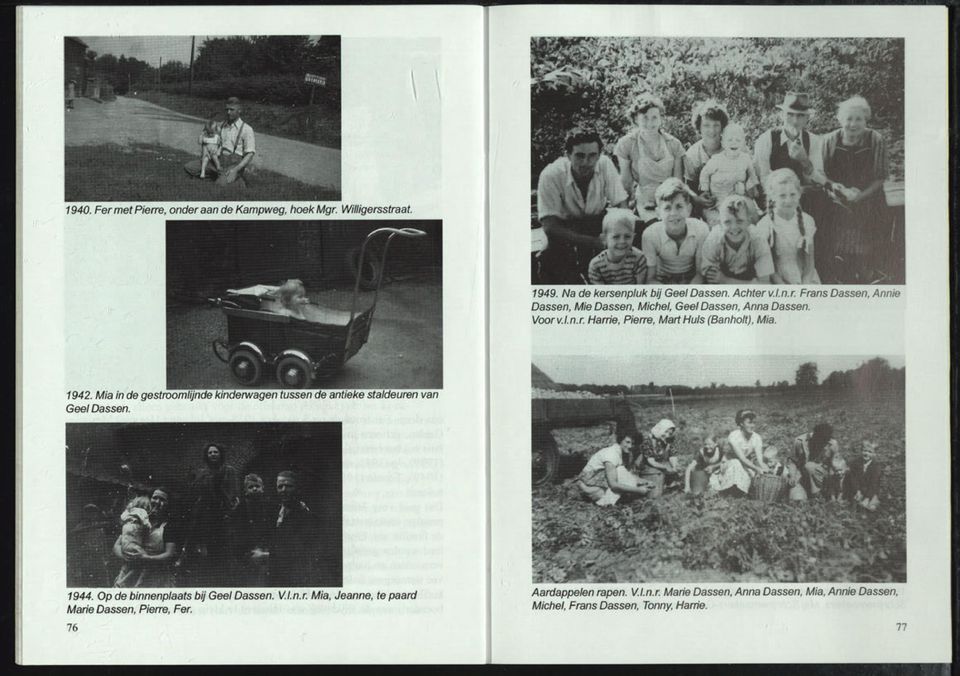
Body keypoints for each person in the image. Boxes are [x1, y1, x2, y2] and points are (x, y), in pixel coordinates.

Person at [536, 127, 629, 283]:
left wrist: (619, 233)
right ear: (568, 155)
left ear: (599, 154)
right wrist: (593, 242)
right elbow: (550, 226)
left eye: (592, 155)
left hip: (597, 220)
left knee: (634, 235)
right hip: (565, 227)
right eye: (580, 156)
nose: (587, 162)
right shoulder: (551, 174)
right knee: (547, 258)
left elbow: (621, 204)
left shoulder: (605, 164)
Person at [753, 92, 831, 272]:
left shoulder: (813, 141)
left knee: (823, 206)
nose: (794, 121)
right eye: (790, 114)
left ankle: (817, 268)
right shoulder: (767, 139)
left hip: (805, 197)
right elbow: (763, 177)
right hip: (773, 198)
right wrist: (782, 195)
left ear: (807, 118)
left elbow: (820, 180)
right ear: (782, 115)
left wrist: (805, 161)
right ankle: (773, 272)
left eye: (800, 116)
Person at [821, 96, 889, 283]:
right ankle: (839, 273)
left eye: (858, 119)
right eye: (848, 118)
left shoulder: (875, 140)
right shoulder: (829, 141)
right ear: (840, 119)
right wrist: (836, 189)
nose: (853, 124)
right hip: (837, 197)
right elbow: (822, 175)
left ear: (866, 120)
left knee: (870, 223)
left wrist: (860, 196)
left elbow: (880, 177)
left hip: (868, 196)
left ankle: (869, 272)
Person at [615, 94, 685, 225]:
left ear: (661, 119)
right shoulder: (627, 144)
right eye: (645, 118)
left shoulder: (673, 144)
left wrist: (671, 205)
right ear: (636, 118)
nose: (650, 123)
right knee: (652, 225)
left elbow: (678, 182)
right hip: (645, 198)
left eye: (654, 117)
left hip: (671, 196)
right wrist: (624, 211)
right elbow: (626, 181)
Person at [182, 443, 241, 586]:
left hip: (222, 516)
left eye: (215, 452)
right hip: (204, 517)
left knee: (224, 553)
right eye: (210, 453)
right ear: (206, 456)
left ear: (220, 454)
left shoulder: (228, 471)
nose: (213, 454)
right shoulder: (202, 473)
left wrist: (229, 507)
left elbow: (233, 492)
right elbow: (195, 492)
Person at [269, 471, 341, 586]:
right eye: (280, 486)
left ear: (297, 489)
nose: (283, 490)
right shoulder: (272, 515)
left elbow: (300, 553)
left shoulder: (309, 519)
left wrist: (267, 555)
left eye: (289, 486)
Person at [753, 168, 819, 284]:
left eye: (792, 194)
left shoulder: (807, 221)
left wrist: (804, 284)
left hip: (805, 277)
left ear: (799, 194)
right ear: (772, 197)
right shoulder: (765, 225)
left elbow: (810, 264)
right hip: (777, 279)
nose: (788, 200)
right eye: (782, 196)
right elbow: (767, 267)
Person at [640, 178, 710, 284]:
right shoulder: (650, 234)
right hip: (662, 280)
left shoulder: (701, 229)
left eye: (679, 206)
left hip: (691, 279)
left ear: (689, 209)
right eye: (667, 208)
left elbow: (700, 274)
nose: (673, 213)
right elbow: (651, 278)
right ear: (658, 213)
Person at [113, 488, 179, 587]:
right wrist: (127, 557)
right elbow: (117, 545)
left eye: (162, 499)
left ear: (168, 504)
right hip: (129, 572)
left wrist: (148, 558)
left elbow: (169, 553)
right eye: (155, 498)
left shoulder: (169, 526)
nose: (157, 502)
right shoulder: (137, 518)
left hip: (153, 574)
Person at [700, 195, 774, 284]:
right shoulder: (714, 241)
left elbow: (764, 284)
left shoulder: (758, 240)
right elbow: (712, 281)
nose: (734, 227)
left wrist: (725, 280)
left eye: (739, 221)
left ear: (749, 221)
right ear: (720, 223)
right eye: (727, 222)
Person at [183, 96, 256, 185]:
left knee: (220, 185)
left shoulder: (246, 129)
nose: (228, 112)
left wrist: (236, 170)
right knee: (189, 168)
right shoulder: (221, 125)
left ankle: (237, 180)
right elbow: (209, 134)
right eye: (227, 109)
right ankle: (220, 176)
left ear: (239, 110)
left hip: (233, 164)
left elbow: (250, 154)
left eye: (232, 110)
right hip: (217, 161)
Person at [698, 123, 760, 226]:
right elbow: (704, 173)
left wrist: (754, 188)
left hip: (739, 195)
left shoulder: (745, 158)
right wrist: (705, 189)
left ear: (743, 143)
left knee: (751, 215)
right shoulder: (717, 160)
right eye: (730, 140)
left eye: (738, 140)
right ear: (723, 143)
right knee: (724, 218)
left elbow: (752, 174)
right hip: (719, 196)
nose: (734, 143)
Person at [576, 432, 651, 506]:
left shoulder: (625, 453)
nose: (630, 446)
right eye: (627, 442)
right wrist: (639, 490)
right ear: (620, 440)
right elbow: (613, 484)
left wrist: (645, 481)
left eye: (633, 444)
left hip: (601, 480)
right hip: (589, 482)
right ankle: (604, 501)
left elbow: (629, 474)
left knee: (627, 477)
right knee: (621, 472)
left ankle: (611, 497)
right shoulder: (612, 454)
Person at [683, 100, 729, 216]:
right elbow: (688, 187)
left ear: (722, 127)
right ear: (699, 127)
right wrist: (697, 199)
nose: (712, 130)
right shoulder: (692, 155)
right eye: (706, 125)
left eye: (716, 125)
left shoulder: (731, 148)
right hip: (703, 205)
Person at [229, 473, 273, 586]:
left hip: (266, 549)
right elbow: (238, 531)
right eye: (250, 487)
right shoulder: (241, 508)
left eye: (257, 486)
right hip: (247, 551)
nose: (254, 489)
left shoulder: (269, 506)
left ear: (262, 488)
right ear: (245, 491)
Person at [714, 410, 768, 497]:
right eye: (749, 423)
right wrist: (756, 468)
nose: (752, 426)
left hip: (745, 464)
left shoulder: (757, 437)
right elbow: (741, 458)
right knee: (736, 463)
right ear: (741, 423)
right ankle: (728, 491)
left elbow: (759, 458)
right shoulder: (734, 436)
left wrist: (762, 467)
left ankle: (741, 492)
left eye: (754, 423)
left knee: (759, 471)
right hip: (729, 463)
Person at [587, 209, 647, 284]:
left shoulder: (639, 259)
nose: (622, 241)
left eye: (627, 236)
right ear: (604, 239)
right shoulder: (596, 265)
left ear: (633, 237)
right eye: (616, 237)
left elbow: (641, 290)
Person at [792, 423, 838, 498]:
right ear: (815, 436)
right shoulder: (800, 441)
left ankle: (817, 494)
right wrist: (792, 476)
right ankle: (808, 492)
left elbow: (834, 465)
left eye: (825, 442)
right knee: (796, 498)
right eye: (821, 442)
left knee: (809, 466)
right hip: (803, 477)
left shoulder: (833, 444)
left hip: (822, 477)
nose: (823, 444)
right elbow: (792, 461)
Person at [635, 419, 681, 490]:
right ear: (660, 429)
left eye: (669, 433)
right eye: (665, 432)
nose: (667, 435)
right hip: (647, 468)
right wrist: (665, 467)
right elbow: (651, 461)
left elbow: (672, 455)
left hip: (660, 465)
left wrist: (674, 466)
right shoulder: (648, 441)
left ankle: (668, 484)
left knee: (672, 467)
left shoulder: (666, 441)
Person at [844, 440, 883, 511]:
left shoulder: (876, 467)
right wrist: (857, 490)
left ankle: (872, 503)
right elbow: (854, 479)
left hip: (871, 491)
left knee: (871, 507)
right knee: (854, 503)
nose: (866, 454)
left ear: (874, 454)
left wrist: (867, 498)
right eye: (865, 451)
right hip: (859, 489)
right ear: (861, 451)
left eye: (870, 452)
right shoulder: (855, 463)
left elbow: (874, 483)